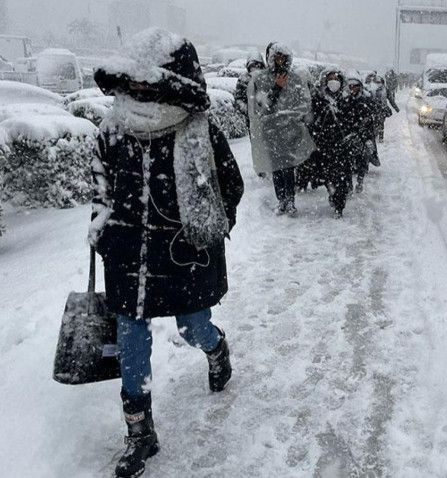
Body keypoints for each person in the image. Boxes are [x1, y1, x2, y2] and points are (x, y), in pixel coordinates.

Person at [89, 28, 244, 478]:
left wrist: (207, 229)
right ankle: (140, 432)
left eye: (146, 82)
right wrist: (103, 229)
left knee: (193, 327)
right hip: (128, 256)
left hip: (182, 256)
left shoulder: (198, 130)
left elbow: (228, 186)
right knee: (132, 341)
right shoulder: (113, 129)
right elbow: (100, 186)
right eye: (132, 82)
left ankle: (216, 349)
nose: (137, 90)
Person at [247, 42, 315, 216]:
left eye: (283, 58)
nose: (280, 61)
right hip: (271, 131)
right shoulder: (261, 79)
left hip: (291, 131)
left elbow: (304, 104)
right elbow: (262, 106)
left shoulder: (296, 79)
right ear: (271, 58)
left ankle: (290, 201)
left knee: (288, 167)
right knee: (276, 167)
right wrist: (276, 89)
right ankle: (281, 200)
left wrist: (291, 117)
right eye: (277, 57)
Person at [310, 68, 356, 217]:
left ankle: (339, 205)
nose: (333, 82)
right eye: (330, 78)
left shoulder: (347, 100)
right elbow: (312, 121)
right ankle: (332, 193)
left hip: (341, 145)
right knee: (327, 177)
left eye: (336, 79)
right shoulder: (318, 99)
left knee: (341, 177)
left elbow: (351, 121)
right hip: (324, 145)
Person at [341, 76, 375, 194]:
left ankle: (360, 181)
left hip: (362, 135)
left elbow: (369, 120)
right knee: (347, 162)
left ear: (359, 87)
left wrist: (366, 136)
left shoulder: (366, 101)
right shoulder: (345, 101)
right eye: (350, 86)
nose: (352, 88)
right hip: (349, 135)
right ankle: (349, 185)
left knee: (362, 160)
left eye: (355, 86)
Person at [234, 51, 265, 125]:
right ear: (249, 67)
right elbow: (238, 98)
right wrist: (247, 109)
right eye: (253, 66)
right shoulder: (243, 79)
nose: (255, 69)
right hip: (251, 117)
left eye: (258, 66)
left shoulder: (266, 79)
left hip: (265, 116)